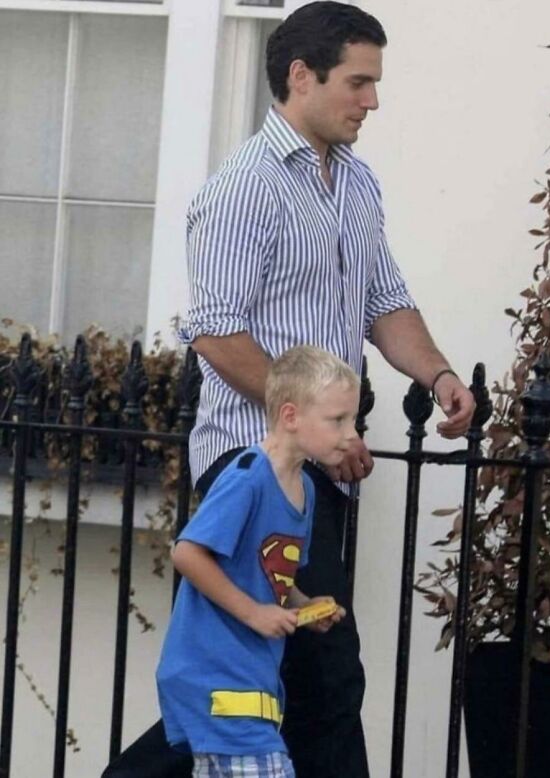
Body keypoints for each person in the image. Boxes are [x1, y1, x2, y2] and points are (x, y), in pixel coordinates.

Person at [102, 3, 476, 777]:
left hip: (316, 470)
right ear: (302, 76)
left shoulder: (357, 184)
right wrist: (312, 430)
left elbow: (385, 303)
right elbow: (216, 333)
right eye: (358, 82)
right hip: (253, 469)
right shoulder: (246, 187)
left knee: (273, 681)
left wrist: (437, 374)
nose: (372, 100)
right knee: (319, 678)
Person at [156, 346, 355, 778]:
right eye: (337, 420)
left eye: (351, 420)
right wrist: (254, 613)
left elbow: (276, 575)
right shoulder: (247, 476)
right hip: (217, 677)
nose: (350, 434)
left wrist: (303, 606)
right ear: (290, 416)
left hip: (253, 681)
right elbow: (187, 553)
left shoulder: (305, 487)